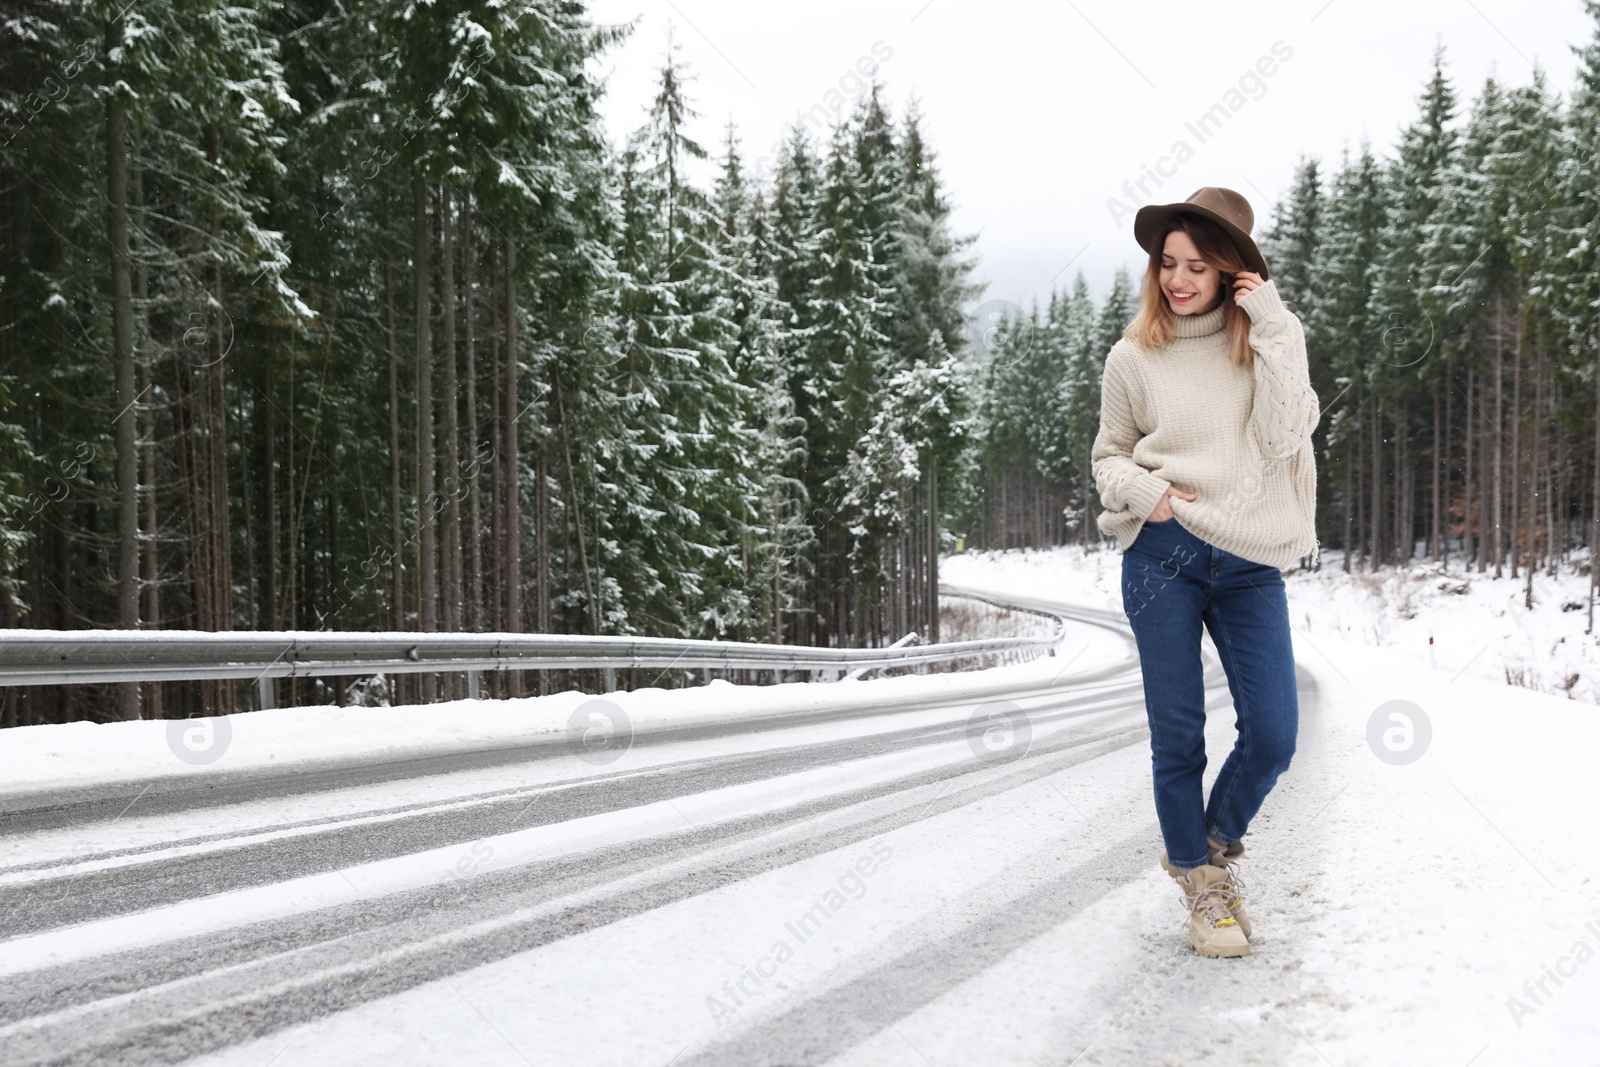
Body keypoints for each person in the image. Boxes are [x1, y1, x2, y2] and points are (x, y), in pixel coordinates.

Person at [1090, 186, 1320, 958]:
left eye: (1197, 265)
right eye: (1168, 263)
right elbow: (1108, 456)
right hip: (1164, 552)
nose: (1178, 279)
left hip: (1251, 557)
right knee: (1179, 733)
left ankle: (1211, 841)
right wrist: (1145, 493)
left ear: (1231, 272)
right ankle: (1201, 882)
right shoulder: (1133, 355)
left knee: (1276, 734)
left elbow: (1289, 434)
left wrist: (1276, 326)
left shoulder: (1264, 343)